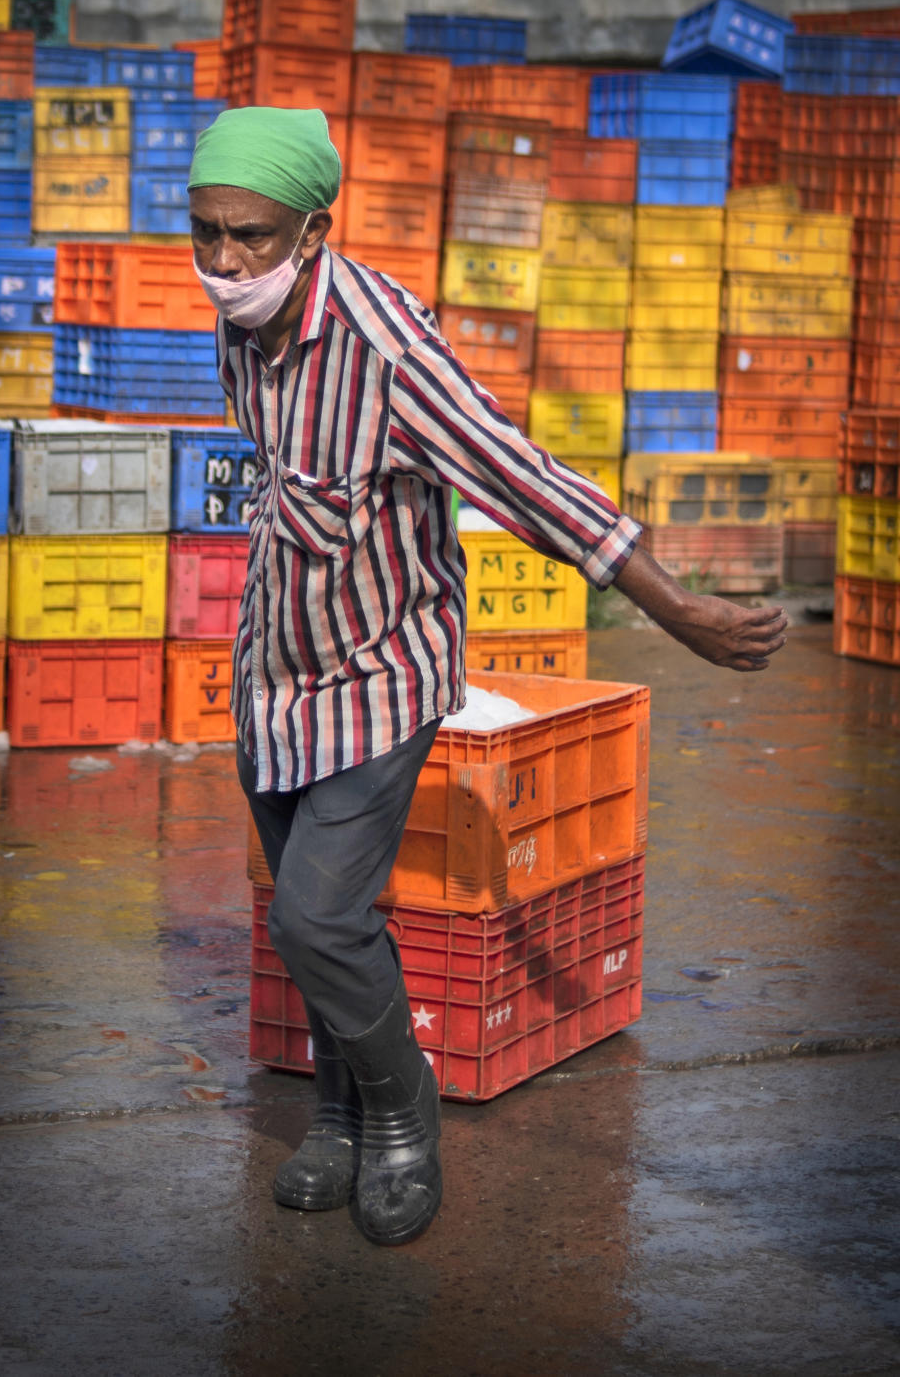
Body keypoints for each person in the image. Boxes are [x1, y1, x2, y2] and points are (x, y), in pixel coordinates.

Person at [187, 106, 788, 1249]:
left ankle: (405, 1113)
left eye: (251, 237)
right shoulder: (239, 327)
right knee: (316, 914)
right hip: (277, 670)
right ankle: (339, 1109)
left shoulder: (386, 348)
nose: (224, 263)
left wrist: (675, 609)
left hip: (380, 674)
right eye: (206, 233)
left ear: (313, 231)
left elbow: (525, 479)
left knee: (317, 917)